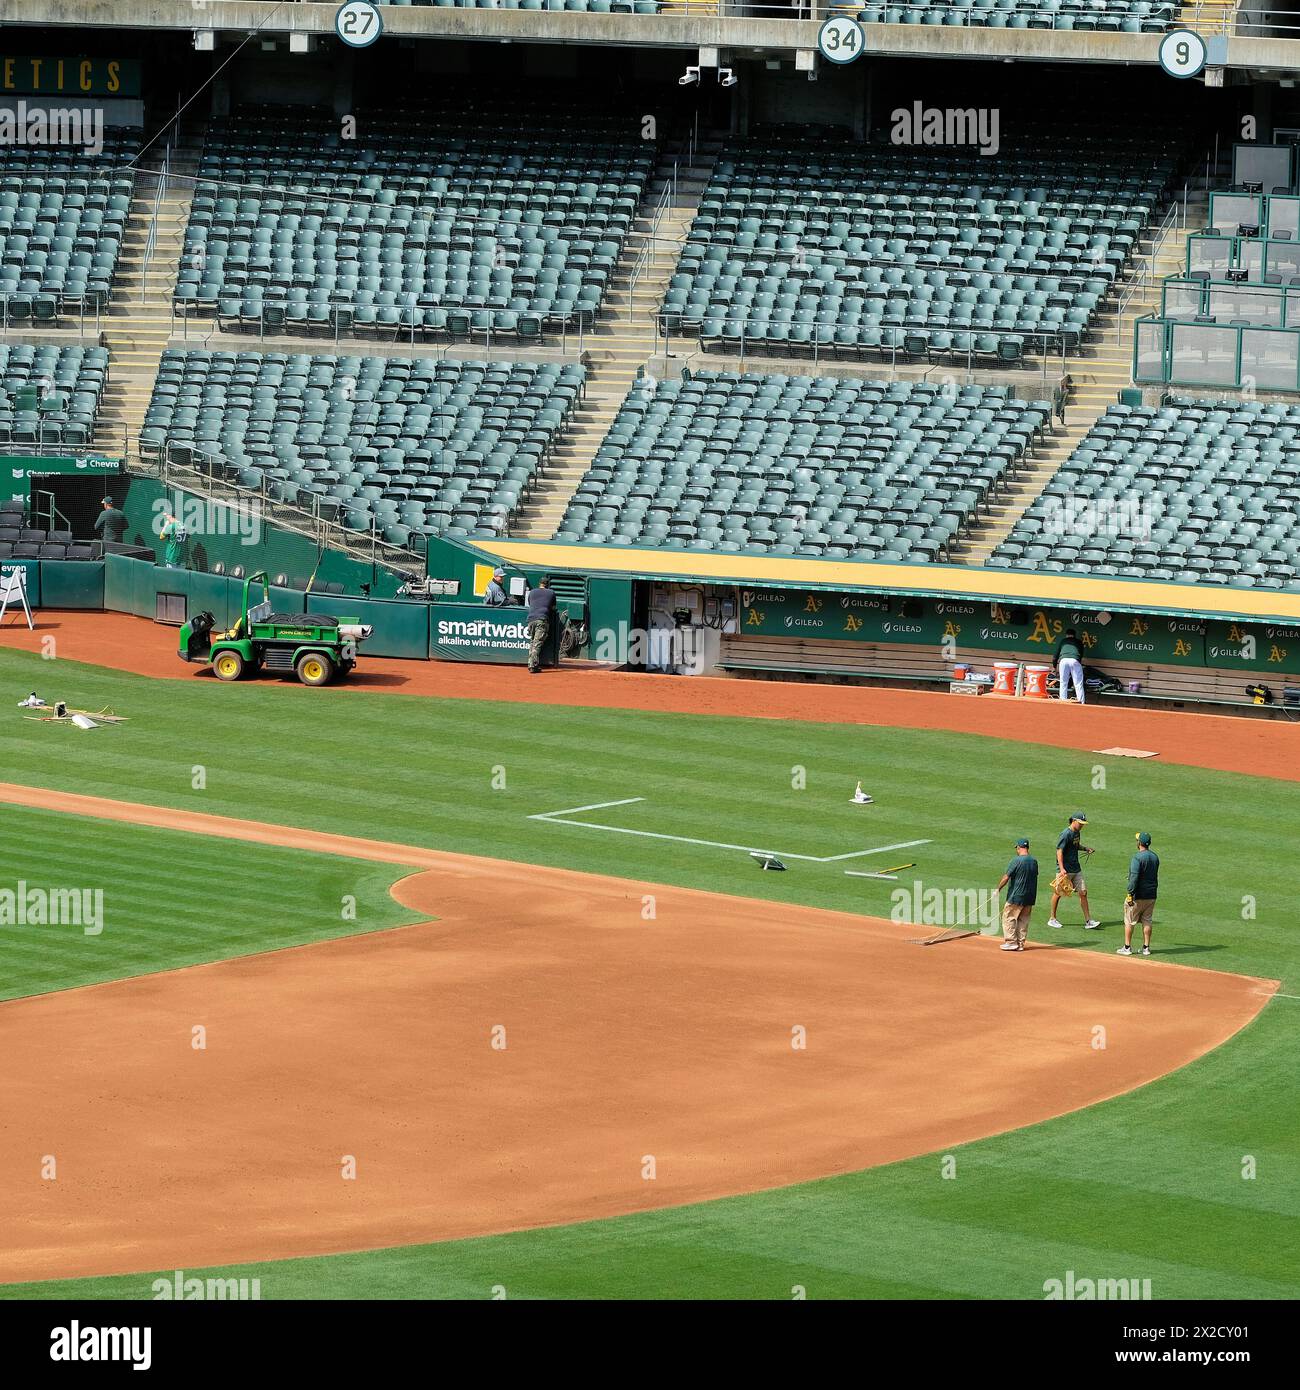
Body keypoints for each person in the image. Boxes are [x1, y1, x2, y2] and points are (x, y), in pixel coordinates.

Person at [1047, 812, 1100, 931]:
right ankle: (1052, 919)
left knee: (1083, 892)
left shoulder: (1077, 832)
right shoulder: (1065, 834)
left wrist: (1085, 848)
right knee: (1058, 893)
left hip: (1076, 868)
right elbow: (1059, 851)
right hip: (1065, 870)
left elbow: (1075, 845)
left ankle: (1088, 921)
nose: (1082, 826)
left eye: (1083, 824)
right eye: (1080, 823)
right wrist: (1061, 869)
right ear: (1074, 821)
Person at [1118, 832, 1159, 957]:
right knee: (1147, 920)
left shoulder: (1137, 858)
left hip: (1138, 895)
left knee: (1129, 921)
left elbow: (1134, 877)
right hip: (1151, 894)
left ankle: (1127, 947)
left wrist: (1130, 892)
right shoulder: (1155, 857)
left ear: (1139, 843)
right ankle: (1146, 948)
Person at [995, 838, 1038, 952]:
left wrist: (998, 889)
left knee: (1008, 917)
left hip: (1016, 896)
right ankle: (1020, 944)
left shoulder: (1016, 861)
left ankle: (1011, 942)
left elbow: (1006, 877)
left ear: (1019, 848)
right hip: (1030, 896)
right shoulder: (1034, 861)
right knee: (1023, 920)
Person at [525, 575, 556, 674]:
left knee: (532, 642)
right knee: (537, 644)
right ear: (548, 585)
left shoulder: (533, 592)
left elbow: (530, 603)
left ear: (540, 583)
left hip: (531, 619)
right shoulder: (551, 593)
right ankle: (532, 665)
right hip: (542, 620)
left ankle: (531, 663)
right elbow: (553, 607)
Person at [1054, 626, 1086, 704]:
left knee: (1063, 682)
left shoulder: (1063, 641)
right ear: (1074, 635)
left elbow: (1055, 657)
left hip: (1063, 660)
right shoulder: (1078, 642)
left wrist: (1054, 667)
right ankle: (1081, 702)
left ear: (1067, 635)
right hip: (1074, 660)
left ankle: (1063, 701)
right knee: (1078, 683)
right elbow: (1081, 654)